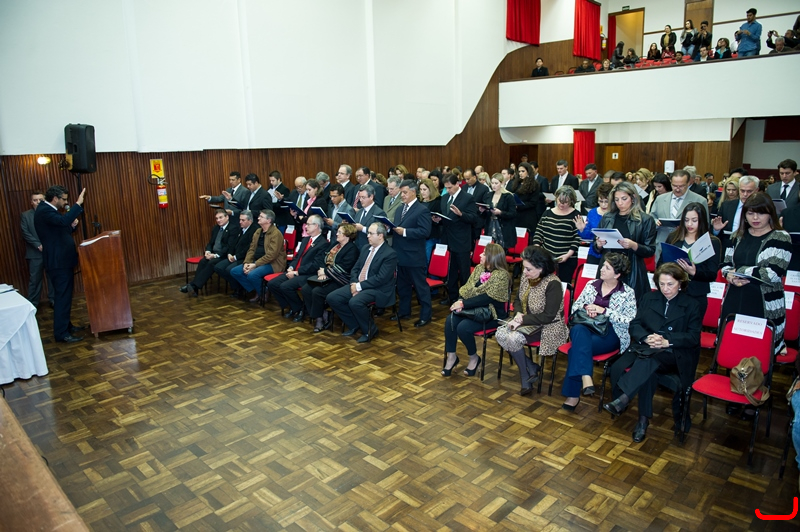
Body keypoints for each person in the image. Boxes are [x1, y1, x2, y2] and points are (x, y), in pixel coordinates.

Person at [604, 263, 702, 443]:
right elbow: (635, 324)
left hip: (674, 353)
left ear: (680, 283)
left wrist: (667, 341)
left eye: (670, 284)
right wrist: (646, 337)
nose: (665, 289)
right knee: (648, 368)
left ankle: (625, 399)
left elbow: (693, 337)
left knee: (648, 360)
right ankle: (642, 421)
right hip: (646, 348)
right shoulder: (649, 298)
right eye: (661, 284)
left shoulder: (692, 304)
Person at [561, 253, 637, 411]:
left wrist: (604, 311)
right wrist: (587, 309)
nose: (601, 269)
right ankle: (585, 376)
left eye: (607, 268)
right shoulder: (591, 284)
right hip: (585, 327)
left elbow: (630, 320)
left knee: (577, 349)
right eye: (603, 265)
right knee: (579, 330)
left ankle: (574, 394)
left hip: (611, 333)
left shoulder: (627, 292)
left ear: (617, 274)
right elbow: (575, 307)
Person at [720, 192, 792, 354]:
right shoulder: (737, 235)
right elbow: (726, 264)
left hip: (763, 303)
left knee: (759, 355)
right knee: (732, 351)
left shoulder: (781, 237)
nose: (755, 218)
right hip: (734, 298)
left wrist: (740, 270)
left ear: (770, 214)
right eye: (750, 213)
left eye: (761, 213)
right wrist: (728, 275)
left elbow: (772, 273)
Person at [495, 246, 569, 395]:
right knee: (500, 334)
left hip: (548, 327)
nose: (524, 272)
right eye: (524, 268)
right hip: (528, 321)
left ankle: (525, 377)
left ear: (541, 268)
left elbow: (548, 316)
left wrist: (522, 319)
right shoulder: (527, 277)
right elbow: (518, 299)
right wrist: (518, 314)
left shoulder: (553, 283)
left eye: (528, 269)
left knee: (513, 338)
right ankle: (531, 367)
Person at [441, 243, 510, 378]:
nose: (480, 255)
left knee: (463, 328)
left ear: (492, 257)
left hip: (491, 313)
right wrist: (459, 302)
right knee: (450, 320)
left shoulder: (501, 275)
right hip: (473, 309)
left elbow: (487, 298)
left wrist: (463, 304)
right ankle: (452, 356)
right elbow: (466, 289)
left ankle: (474, 358)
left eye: (484, 253)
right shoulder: (479, 268)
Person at [327, 223, 398, 343]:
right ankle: (354, 324)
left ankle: (370, 330)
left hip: (378, 289)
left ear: (380, 236)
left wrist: (358, 287)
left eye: (371, 233)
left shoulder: (389, 254)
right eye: (368, 233)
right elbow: (355, 268)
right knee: (333, 298)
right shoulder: (366, 248)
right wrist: (354, 283)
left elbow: (381, 278)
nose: (367, 236)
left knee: (355, 302)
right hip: (358, 284)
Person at [34, 185, 87, 342]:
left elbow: (60, 230)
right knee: (62, 296)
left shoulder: (50, 210)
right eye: (63, 199)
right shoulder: (45, 211)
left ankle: (66, 326)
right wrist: (78, 203)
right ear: (55, 198)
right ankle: (62, 333)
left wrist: (71, 226)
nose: (65, 202)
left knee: (64, 296)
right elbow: (63, 221)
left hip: (62, 260)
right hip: (58, 262)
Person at [593, 182, 657, 300]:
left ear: (633, 198)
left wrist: (634, 245)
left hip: (632, 269)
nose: (620, 203)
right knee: (604, 302)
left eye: (624, 199)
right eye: (616, 199)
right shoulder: (607, 217)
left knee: (631, 305)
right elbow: (595, 246)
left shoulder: (645, 220)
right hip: (608, 267)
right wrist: (598, 244)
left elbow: (650, 250)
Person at [659, 202, 721, 319]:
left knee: (692, 328)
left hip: (696, 295)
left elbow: (712, 274)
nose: (689, 224)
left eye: (694, 220)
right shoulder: (674, 237)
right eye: (686, 220)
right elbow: (660, 264)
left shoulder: (712, 242)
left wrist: (694, 272)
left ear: (702, 221)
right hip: (672, 293)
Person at [267, 215, 327, 321]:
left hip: (307, 274)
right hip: (295, 271)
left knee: (285, 286)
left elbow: (315, 265)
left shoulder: (323, 243)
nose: (305, 226)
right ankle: (294, 306)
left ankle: (299, 309)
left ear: (316, 226)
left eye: (308, 224)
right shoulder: (305, 240)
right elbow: (297, 257)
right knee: (272, 284)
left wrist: (297, 272)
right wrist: (291, 267)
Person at [302, 224, 359, 333]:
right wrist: (322, 271)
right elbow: (323, 258)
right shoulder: (336, 245)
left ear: (347, 235)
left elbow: (344, 269)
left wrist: (326, 272)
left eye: (340, 232)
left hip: (340, 280)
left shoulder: (352, 249)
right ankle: (321, 313)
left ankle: (319, 319)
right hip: (327, 276)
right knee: (306, 289)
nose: (336, 234)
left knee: (317, 292)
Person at [392, 180, 433, 328]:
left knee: (421, 288)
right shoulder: (399, 209)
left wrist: (405, 232)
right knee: (402, 286)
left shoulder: (422, 210)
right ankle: (404, 311)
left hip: (414, 256)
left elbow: (425, 231)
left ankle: (426, 316)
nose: (402, 195)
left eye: (405, 192)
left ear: (413, 192)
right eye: (401, 192)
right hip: (400, 254)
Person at [433, 174, 479, 305]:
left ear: (457, 184)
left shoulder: (467, 198)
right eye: (446, 188)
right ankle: (452, 296)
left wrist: (461, 214)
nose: (448, 190)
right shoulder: (444, 198)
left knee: (464, 272)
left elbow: (473, 218)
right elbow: (445, 217)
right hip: (447, 239)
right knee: (450, 271)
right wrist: (438, 220)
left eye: (450, 187)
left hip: (461, 240)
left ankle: (464, 298)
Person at [230, 210, 286, 302]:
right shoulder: (258, 231)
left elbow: (271, 255)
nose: (258, 218)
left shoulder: (276, 234)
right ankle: (259, 290)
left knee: (252, 275)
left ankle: (262, 292)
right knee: (235, 271)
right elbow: (251, 249)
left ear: (268, 220)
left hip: (272, 263)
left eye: (261, 217)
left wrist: (255, 265)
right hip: (256, 261)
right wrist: (247, 262)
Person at [180, 209, 238, 297]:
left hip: (224, 255)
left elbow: (229, 246)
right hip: (213, 253)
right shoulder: (215, 228)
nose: (218, 220)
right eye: (217, 218)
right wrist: (208, 251)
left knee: (211, 263)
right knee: (203, 261)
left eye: (220, 217)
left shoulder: (233, 228)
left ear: (227, 217)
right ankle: (194, 286)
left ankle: (194, 286)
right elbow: (210, 243)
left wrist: (215, 255)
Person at [533, 186, 581, 283]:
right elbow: (539, 231)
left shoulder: (576, 215)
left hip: (567, 259)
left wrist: (568, 255)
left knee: (563, 284)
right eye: (559, 201)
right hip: (547, 258)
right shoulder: (547, 213)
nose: (561, 204)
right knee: (545, 284)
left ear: (571, 201)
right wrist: (537, 248)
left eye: (565, 202)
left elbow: (577, 238)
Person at [21, 191, 54, 307]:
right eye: (35, 200)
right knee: (34, 280)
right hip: (35, 253)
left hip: (50, 251)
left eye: (41, 200)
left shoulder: (50, 214)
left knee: (52, 278)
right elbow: (25, 233)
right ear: (31, 202)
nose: (38, 202)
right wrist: (38, 245)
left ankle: (54, 300)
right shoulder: (25, 215)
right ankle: (32, 305)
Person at [215, 210, 258, 298]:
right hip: (234, 256)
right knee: (218, 267)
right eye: (240, 220)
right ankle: (238, 286)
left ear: (250, 221)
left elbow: (249, 248)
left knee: (229, 269)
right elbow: (233, 243)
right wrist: (230, 253)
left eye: (243, 220)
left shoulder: (254, 231)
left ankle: (242, 289)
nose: (240, 222)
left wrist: (236, 257)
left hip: (244, 257)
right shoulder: (241, 229)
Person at [712, 175, 758, 252]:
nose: (745, 194)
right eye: (742, 191)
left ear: (756, 190)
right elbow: (717, 232)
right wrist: (716, 230)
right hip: (728, 248)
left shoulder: (761, 209)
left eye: (749, 191)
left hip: (751, 248)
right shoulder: (726, 206)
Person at [576, 183, 613, 265]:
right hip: (594, 254)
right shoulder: (592, 212)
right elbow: (588, 237)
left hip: (611, 256)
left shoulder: (615, 214)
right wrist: (582, 229)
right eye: (600, 201)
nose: (603, 205)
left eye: (606, 201)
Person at [481, 174, 516, 252]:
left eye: (496, 183)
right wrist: (482, 210)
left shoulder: (508, 196)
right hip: (490, 225)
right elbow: (485, 211)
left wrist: (500, 213)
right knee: (490, 250)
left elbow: (513, 213)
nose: (493, 185)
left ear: (502, 183)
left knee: (501, 250)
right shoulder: (488, 195)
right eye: (492, 183)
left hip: (503, 227)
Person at [352, 185, 386, 249]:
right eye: (359, 197)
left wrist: (363, 228)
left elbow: (379, 232)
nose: (360, 200)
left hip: (370, 247)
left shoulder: (379, 213)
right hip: (357, 247)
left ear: (371, 197)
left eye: (363, 197)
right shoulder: (359, 212)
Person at [418, 178, 441, 262]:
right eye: (420, 189)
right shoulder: (419, 201)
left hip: (431, 235)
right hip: (419, 235)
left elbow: (441, 218)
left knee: (427, 260)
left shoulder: (437, 201)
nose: (422, 192)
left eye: (424, 189)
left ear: (430, 190)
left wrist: (436, 220)